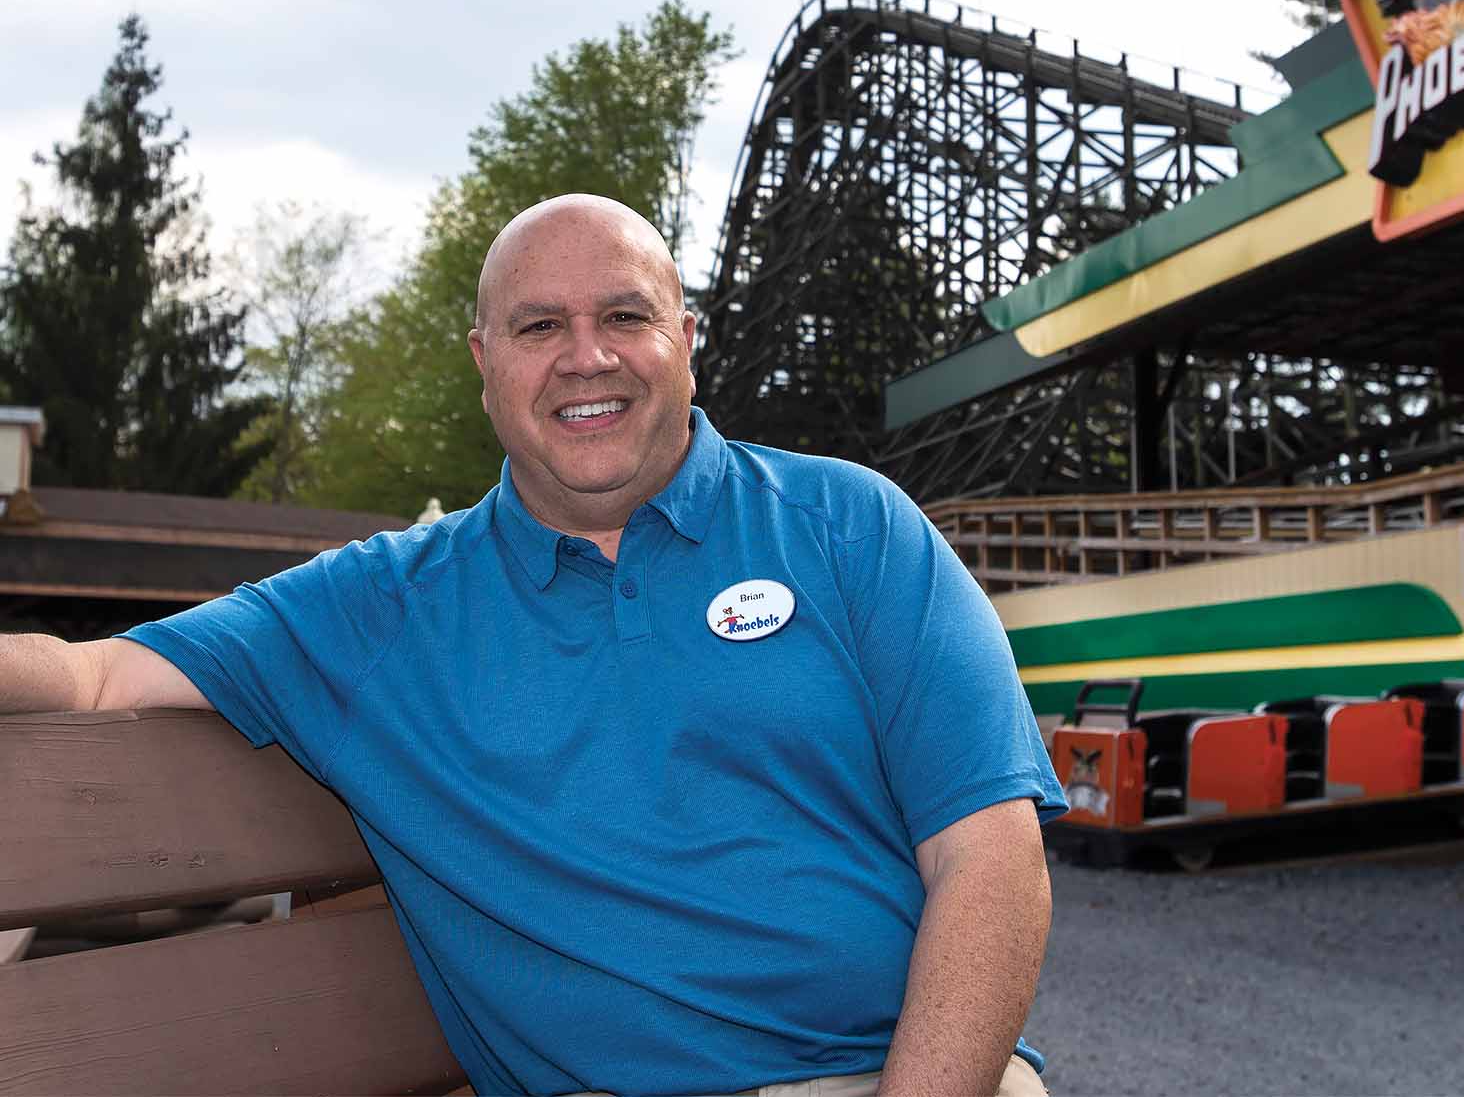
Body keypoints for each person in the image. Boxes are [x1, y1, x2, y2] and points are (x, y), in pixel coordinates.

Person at [0, 195, 1067, 1096]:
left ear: (685, 339)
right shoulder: (383, 606)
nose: (584, 356)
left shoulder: (850, 526)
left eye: (623, 315)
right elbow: (92, 673)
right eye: (538, 326)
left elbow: (988, 851)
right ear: (484, 362)